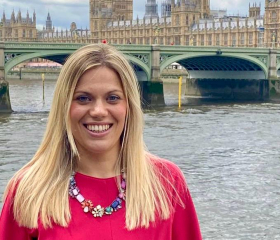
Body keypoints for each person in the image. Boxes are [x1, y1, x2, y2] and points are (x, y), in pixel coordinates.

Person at [0, 44, 202, 240]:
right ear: (64, 106)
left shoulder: (167, 182)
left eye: (113, 98)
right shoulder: (28, 190)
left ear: (129, 106)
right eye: (83, 98)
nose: (98, 111)